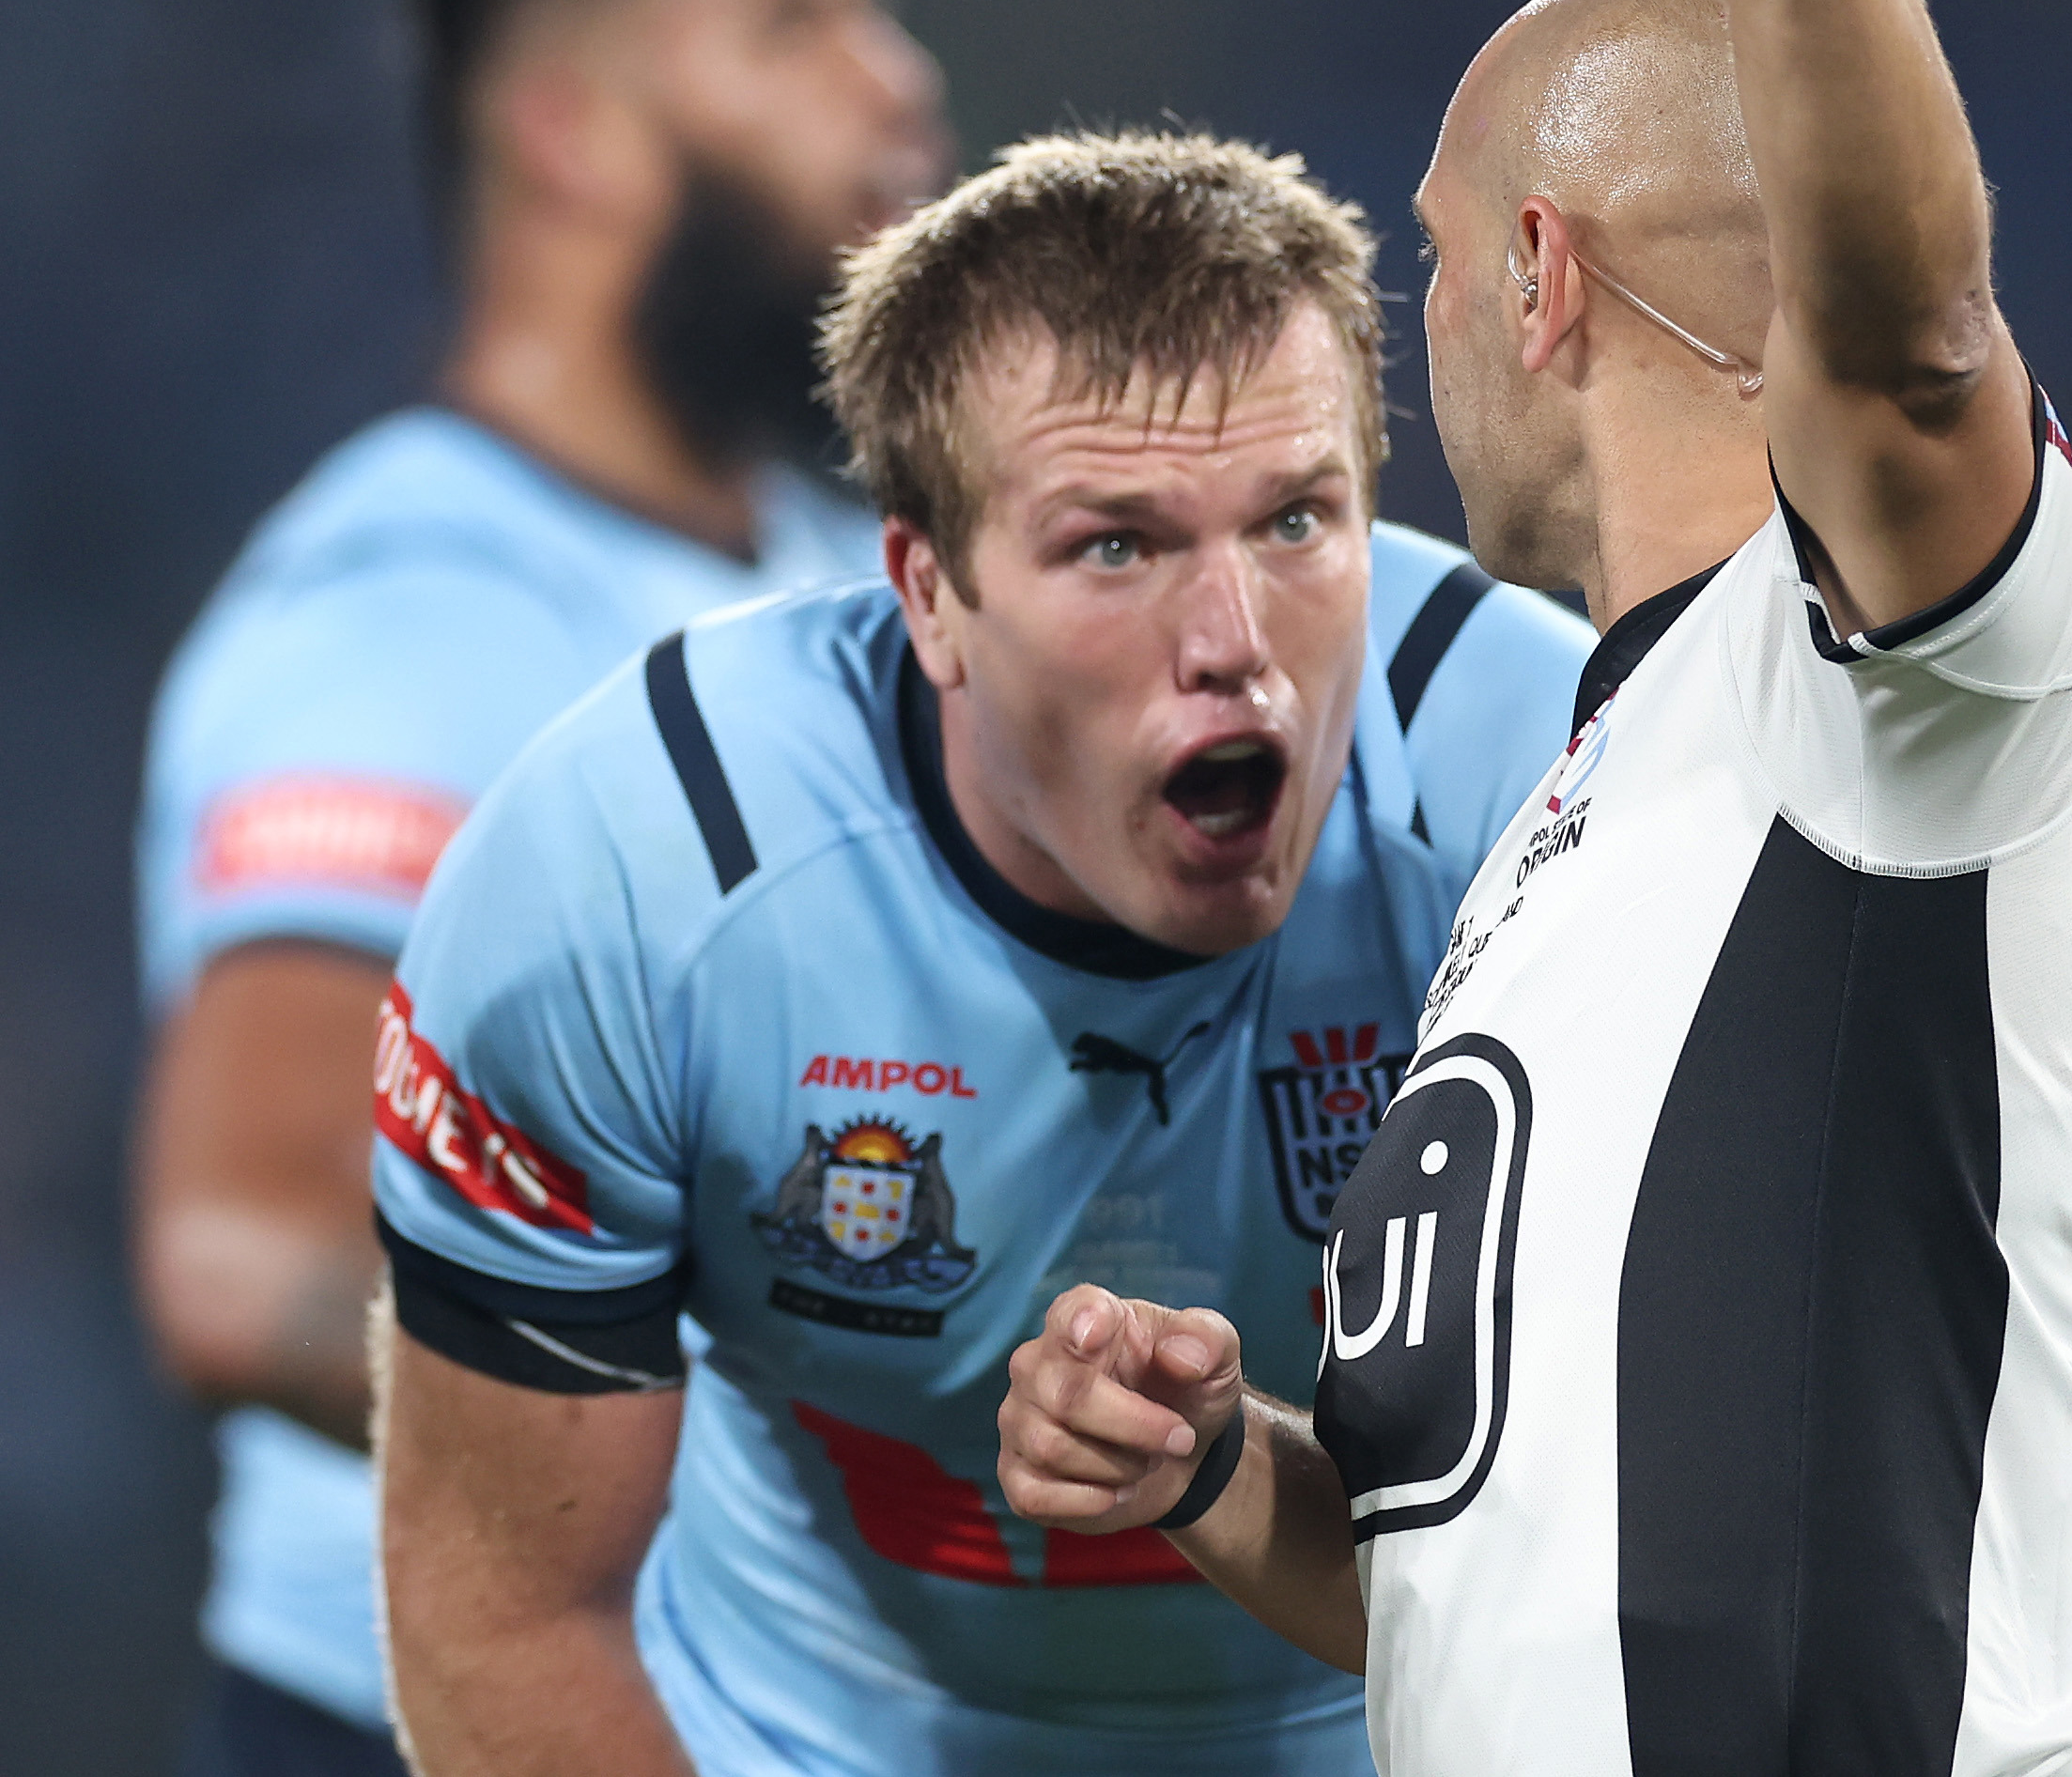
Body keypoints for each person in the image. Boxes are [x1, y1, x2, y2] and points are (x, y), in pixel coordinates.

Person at [998, 0, 2072, 1776]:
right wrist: (1225, 1474)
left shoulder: (1895, 687)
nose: (1407, 346)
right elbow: (1504, 1587)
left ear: (1540, 274)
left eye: (1422, 269)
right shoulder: (1611, 797)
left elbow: (1896, 326)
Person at [371, 127, 1590, 1776]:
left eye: (1298, 520)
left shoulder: (1559, 801)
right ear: (925, 590)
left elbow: (1665, 1549)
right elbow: (508, 1614)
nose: (1235, 647)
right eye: (1116, 544)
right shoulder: (625, 887)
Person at [132, 0, 951, 1775]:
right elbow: (245, 1253)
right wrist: (789, 1424)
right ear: (566, 130)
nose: (898, 84)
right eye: (793, 26)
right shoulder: (413, 604)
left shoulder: (833, 569)